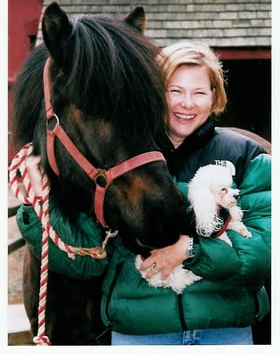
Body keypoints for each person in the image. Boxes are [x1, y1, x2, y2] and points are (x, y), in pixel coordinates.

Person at [16, 41, 271, 345]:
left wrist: (190, 250)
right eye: (174, 90)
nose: (186, 103)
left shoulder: (246, 155)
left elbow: (262, 252)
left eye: (199, 92)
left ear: (215, 96)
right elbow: (85, 259)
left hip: (224, 331)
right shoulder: (119, 161)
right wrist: (42, 204)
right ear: (151, 93)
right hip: (141, 335)